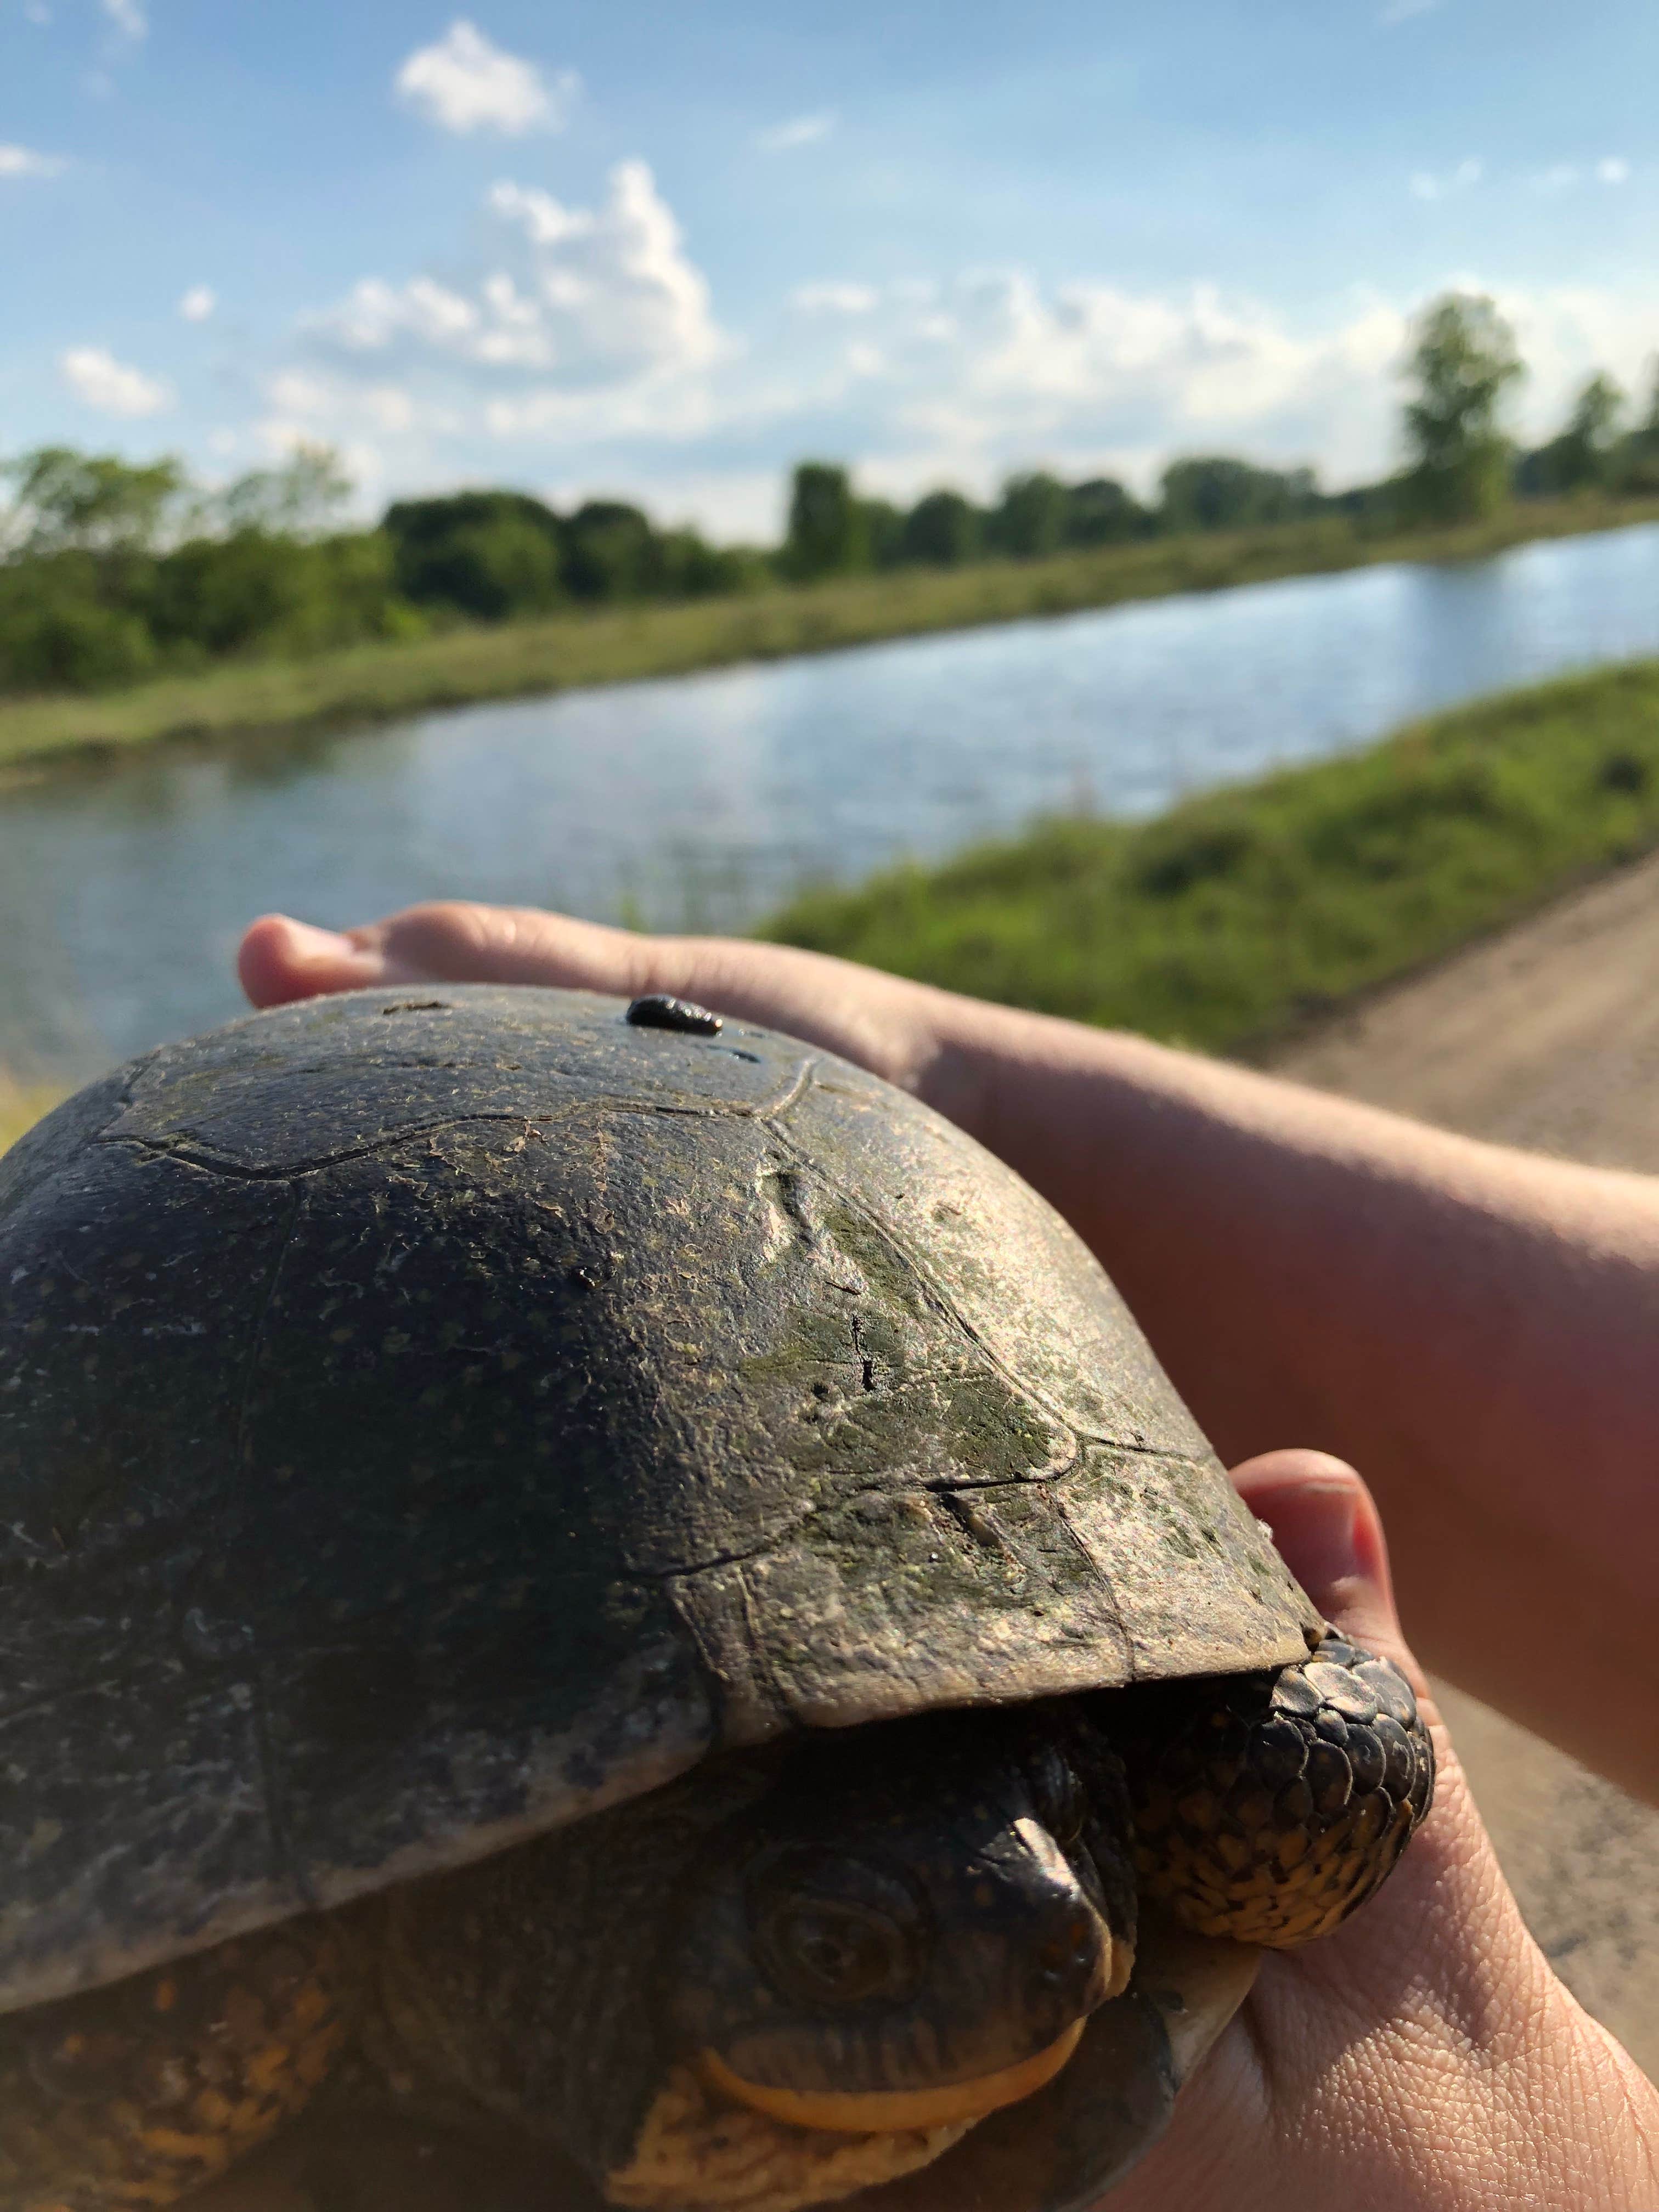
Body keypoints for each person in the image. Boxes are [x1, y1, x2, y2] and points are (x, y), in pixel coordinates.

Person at [236, 901, 1659, 2212]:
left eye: (1047, 1883)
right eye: (841, 1956)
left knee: (1296, 1787)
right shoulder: (287, 1981)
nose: (1052, 1944)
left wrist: (930, 1114)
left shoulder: (1143, 1831)